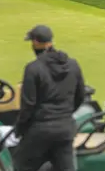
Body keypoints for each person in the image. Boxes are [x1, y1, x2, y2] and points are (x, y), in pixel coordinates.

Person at [14, 24, 86, 171]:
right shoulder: (73, 65)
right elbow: (80, 96)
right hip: (65, 129)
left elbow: (28, 105)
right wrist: (64, 114)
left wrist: (19, 128)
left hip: (40, 130)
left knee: (21, 164)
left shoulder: (33, 69)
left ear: (35, 43)